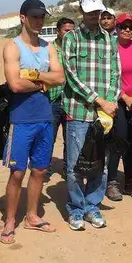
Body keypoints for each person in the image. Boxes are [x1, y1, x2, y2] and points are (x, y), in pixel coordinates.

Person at [0, 0, 64, 244]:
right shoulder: (12, 47)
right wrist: (42, 82)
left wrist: (36, 76)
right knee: (17, 172)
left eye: (42, 17)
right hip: (22, 119)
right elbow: (15, 84)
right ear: (23, 18)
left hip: (45, 117)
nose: (39, 21)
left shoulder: (49, 47)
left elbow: (60, 78)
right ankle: (9, 221)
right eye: (34, 17)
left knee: (39, 170)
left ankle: (32, 216)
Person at [61, 0, 121, 231]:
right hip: (79, 112)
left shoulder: (109, 40)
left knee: (101, 163)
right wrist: (99, 100)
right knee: (76, 164)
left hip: (104, 115)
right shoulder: (72, 38)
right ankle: (76, 208)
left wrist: (112, 100)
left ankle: (92, 206)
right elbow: (71, 76)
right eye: (90, 11)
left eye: (98, 11)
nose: (94, 15)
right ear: (81, 11)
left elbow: (116, 73)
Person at [106, 12, 132, 201]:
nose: (127, 30)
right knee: (119, 140)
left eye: (131, 27)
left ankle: (129, 181)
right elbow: (109, 77)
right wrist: (124, 96)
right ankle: (112, 181)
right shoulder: (110, 48)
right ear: (117, 28)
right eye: (123, 26)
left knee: (131, 141)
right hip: (118, 101)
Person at [47, 16, 75, 179]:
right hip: (53, 99)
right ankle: (46, 169)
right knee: (49, 137)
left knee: (70, 138)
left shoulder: (76, 48)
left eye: (72, 31)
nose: (70, 34)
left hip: (71, 100)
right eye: (66, 31)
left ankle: (67, 168)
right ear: (58, 31)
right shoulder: (49, 49)